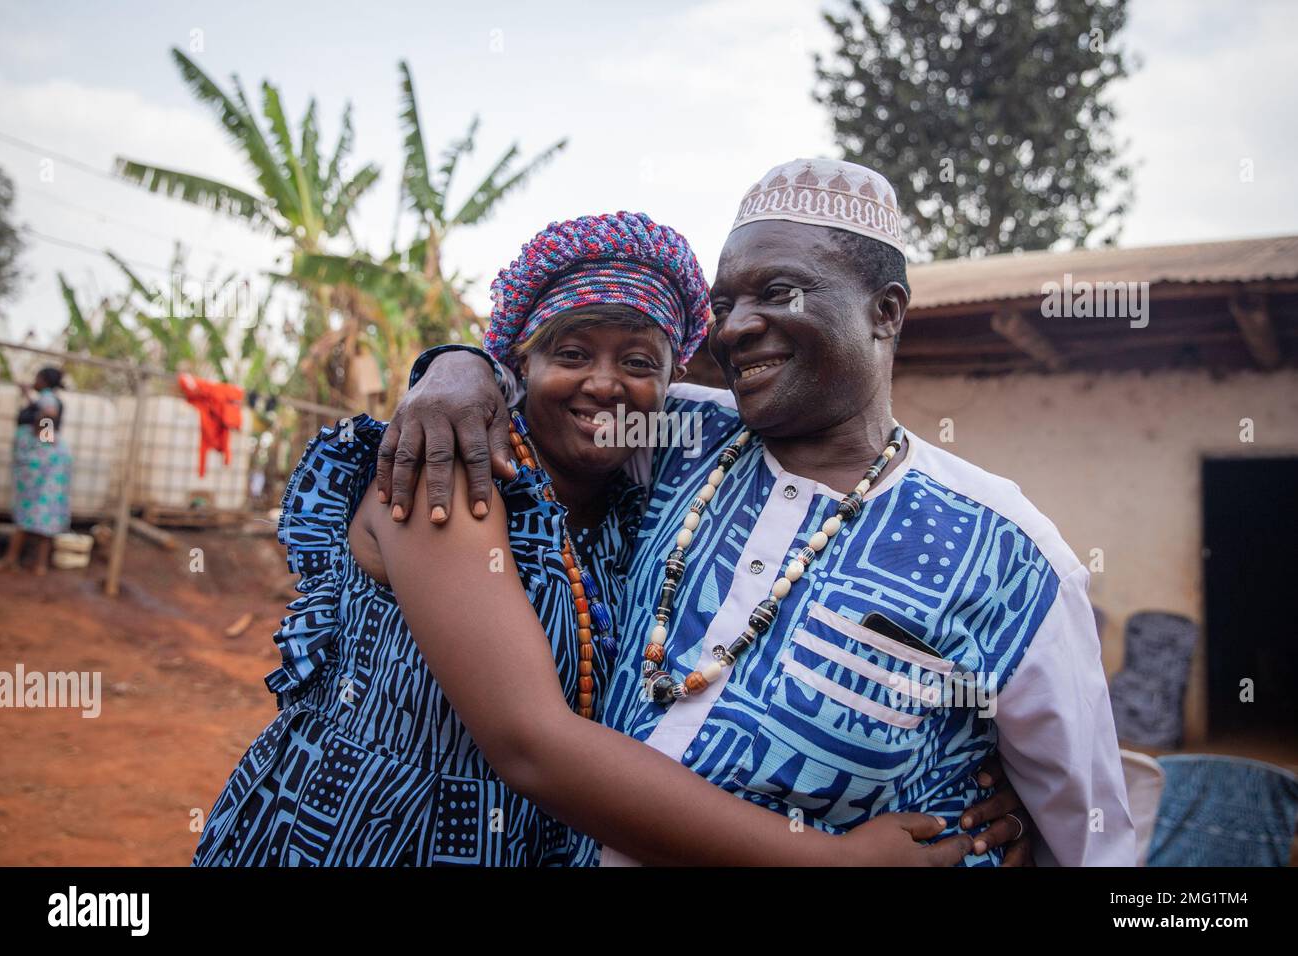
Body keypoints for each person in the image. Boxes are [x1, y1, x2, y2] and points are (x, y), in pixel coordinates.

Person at [195, 211, 1016, 866]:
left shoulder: (643, 506)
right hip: (363, 837)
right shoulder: (450, 476)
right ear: (518, 360)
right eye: (571, 352)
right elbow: (530, 743)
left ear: (671, 381)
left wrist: (964, 781)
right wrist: (828, 862)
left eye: (639, 359)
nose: (603, 383)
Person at [381, 161, 1137, 866]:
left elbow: (1088, 835)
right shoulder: (673, 435)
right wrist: (456, 365)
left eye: (778, 293)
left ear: (886, 311)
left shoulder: (1007, 552)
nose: (735, 327)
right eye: (724, 303)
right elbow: (536, 383)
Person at [0, 367, 72, 576]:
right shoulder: (46, 398)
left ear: (44, 381)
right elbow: (42, 410)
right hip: (48, 462)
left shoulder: (48, 400)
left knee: (32, 509)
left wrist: (43, 438)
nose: (34, 381)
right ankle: (38, 564)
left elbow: (48, 415)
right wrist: (27, 396)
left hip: (42, 464)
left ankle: (13, 559)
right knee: (45, 512)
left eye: (37, 378)